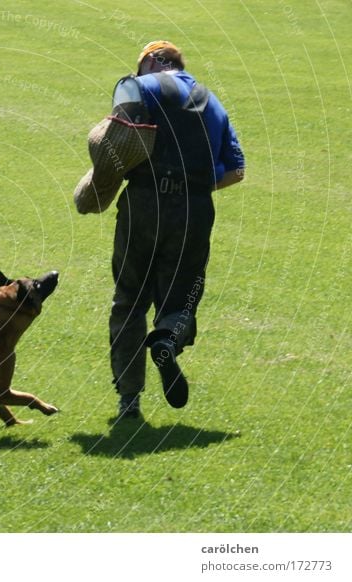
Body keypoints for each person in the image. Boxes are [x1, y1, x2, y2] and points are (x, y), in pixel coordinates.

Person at [109, 41, 245, 419]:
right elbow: (237, 169)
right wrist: (192, 186)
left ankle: (129, 399)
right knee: (181, 296)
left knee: (130, 300)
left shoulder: (138, 87)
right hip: (195, 210)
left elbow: (112, 144)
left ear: (152, 61)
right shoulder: (213, 101)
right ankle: (168, 337)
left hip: (143, 204)